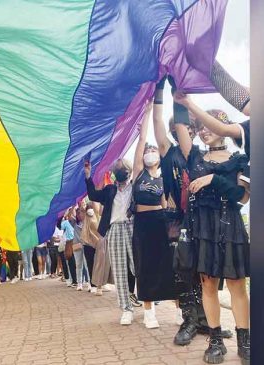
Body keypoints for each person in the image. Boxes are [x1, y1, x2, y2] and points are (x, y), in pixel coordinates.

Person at [153, 79, 234, 344]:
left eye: (193, 126)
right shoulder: (170, 151)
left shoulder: (201, 154)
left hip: (207, 219)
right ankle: (189, 320)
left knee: (209, 272)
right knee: (185, 271)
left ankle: (208, 324)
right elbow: (159, 125)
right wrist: (161, 91)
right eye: (185, 125)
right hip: (180, 220)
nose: (188, 128)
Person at [174, 106, 251, 364]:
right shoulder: (193, 155)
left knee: (237, 285)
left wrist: (212, 180)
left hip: (230, 224)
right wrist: (177, 93)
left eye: (210, 125)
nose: (204, 130)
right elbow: (181, 126)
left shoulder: (240, 159)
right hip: (202, 228)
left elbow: (243, 196)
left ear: (223, 128)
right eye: (201, 126)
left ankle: (245, 341)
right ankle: (215, 340)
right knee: (208, 284)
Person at [130, 102, 179, 329]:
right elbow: (141, 140)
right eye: (148, 151)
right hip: (141, 223)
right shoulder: (138, 173)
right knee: (145, 265)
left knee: (167, 264)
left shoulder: (162, 179)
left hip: (160, 222)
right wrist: (147, 112)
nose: (150, 153)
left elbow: (165, 205)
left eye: (153, 151)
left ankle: (180, 311)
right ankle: (149, 312)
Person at [84, 156, 138, 325]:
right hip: (114, 229)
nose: (118, 171)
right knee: (120, 270)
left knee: (137, 267)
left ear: (128, 171)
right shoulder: (109, 190)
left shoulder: (135, 188)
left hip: (133, 228)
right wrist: (88, 176)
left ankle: (148, 300)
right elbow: (92, 194)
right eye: (116, 169)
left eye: (121, 168)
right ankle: (126, 309)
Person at [70, 205, 90, 291]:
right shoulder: (74, 223)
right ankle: (79, 283)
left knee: (87, 265)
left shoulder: (88, 222)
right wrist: (73, 206)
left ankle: (90, 283)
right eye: (78, 213)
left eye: (82, 212)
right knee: (78, 264)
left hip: (86, 245)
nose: (80, 215)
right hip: (77, 246)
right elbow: (69, 216)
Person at [61, 210, 78, 288]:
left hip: (77, 243)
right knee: (71, 263)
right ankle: (73, 280)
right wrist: (62, 217)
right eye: (70, 212)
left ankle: (81, 280)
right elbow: (60, 226)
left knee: (78, 263)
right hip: (69, 243)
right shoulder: (65, 222)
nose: (72, 214)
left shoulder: (77, 221)